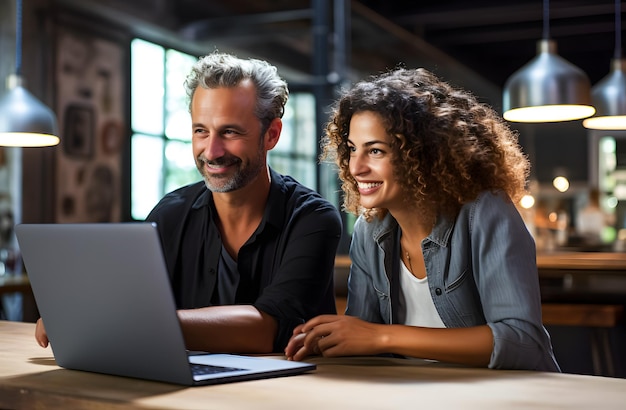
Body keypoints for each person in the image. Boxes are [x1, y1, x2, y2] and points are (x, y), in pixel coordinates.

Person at [35, 52, 342, 354]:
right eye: (201, 131)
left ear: (271, 134)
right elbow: (128, 301)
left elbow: (269, 329)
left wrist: (129, 324)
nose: (212, 151)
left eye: (230, 132)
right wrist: (76, 314)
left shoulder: (312, 219)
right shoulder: (170, 213)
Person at [285, 67, 560, 371]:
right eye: (352, 149)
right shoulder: (368, 230)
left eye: (375, 151)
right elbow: (364, 340)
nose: (356, 167)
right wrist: (326, 340)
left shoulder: (484, 212)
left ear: (422, 155)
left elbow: (522, 341)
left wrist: (384, 337)